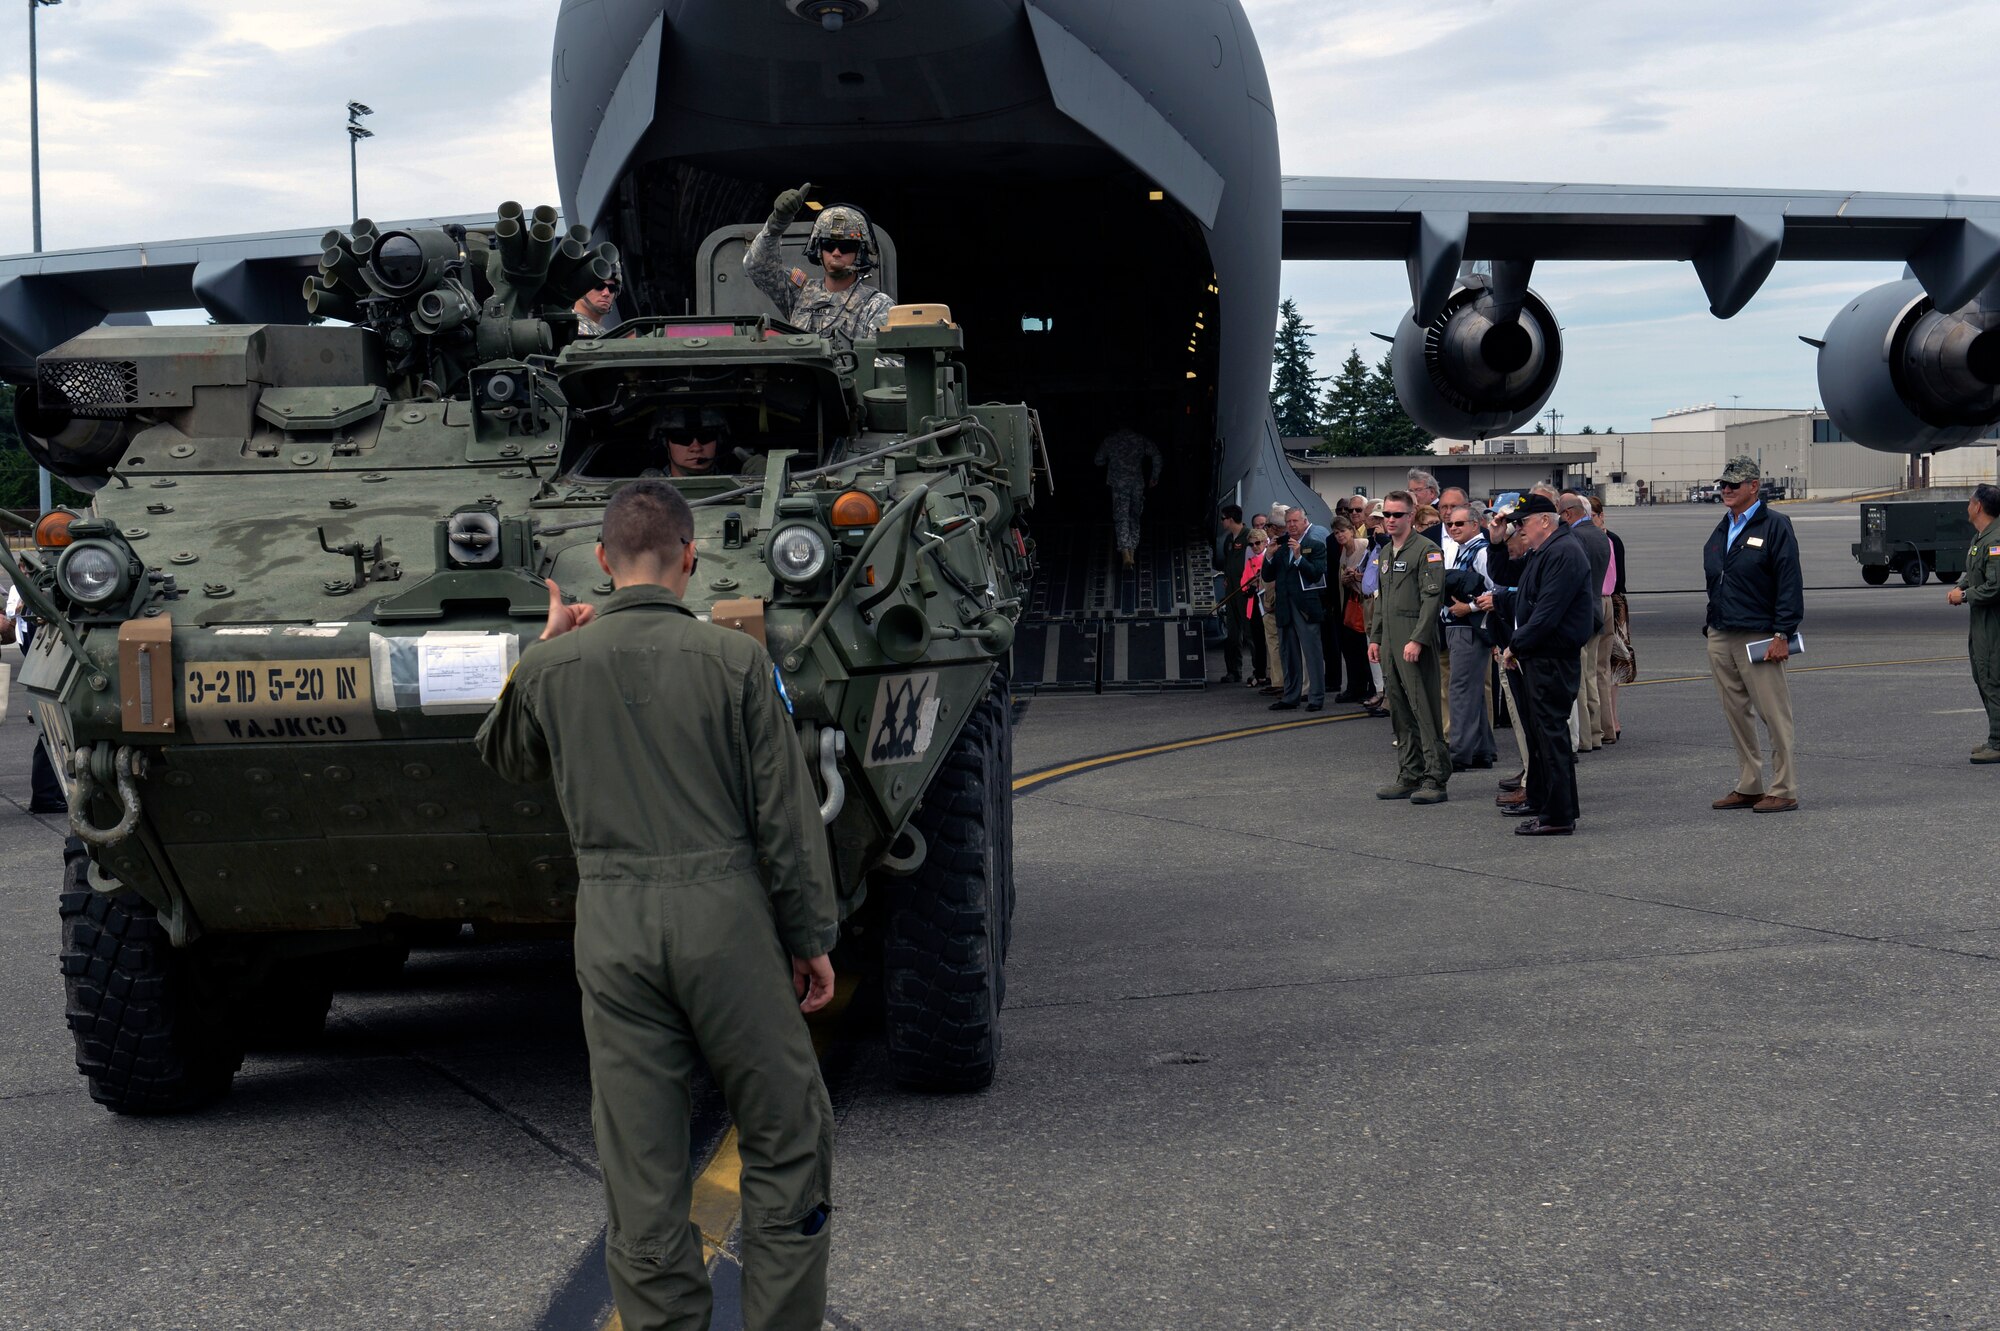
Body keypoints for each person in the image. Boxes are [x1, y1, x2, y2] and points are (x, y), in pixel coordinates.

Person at [475, 480, 840, 1331]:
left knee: (641, 1163)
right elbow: (785, 819)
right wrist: (810, 936)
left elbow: (501, 756)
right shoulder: (738, 661)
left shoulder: (556, 668)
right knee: (787, 1133)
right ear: (690, 557)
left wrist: (541, 649)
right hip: (726, 922)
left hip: (612, 925)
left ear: (602, 562)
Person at [1478, 493, 1593, 835]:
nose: (1518, 529)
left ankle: (1558, 815)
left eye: (1522, 522)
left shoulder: (1563, 552)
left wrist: (1516, 645)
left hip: (1551, 656)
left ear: (1545, 520)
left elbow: (1547, 613)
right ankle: (1542, 800)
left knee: (1551, 735)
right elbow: (1504, 574)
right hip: (1538, 654)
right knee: (1539, 735)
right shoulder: (1546, 550)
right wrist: (1496, 542)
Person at [1702, 456, 1804, 813]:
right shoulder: (1723, 527)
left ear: (1754, 486)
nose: (1726, 490)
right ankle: (1750, 784)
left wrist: (1782, 632)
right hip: (1722, 632)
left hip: (1760, 634)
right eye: (1724, 484)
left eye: (1734, 484)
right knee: (1735, 712)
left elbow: (1789, 582)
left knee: (1774, 714)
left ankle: (1784, 787)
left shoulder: (1775, 525)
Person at [1368, 491, 1449, 802]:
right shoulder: (1386, 553)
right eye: (1387, 514)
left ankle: (1435, 777)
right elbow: (1381, 599)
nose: (1390, 520)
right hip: (1390, 641)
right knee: (1399, 710)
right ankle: (1409, 772)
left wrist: (1417, 638)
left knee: (1424, 708)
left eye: (1397, 514)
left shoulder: (1427, 551)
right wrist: (1375, 638)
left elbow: (1432, 599)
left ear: (1411, 516)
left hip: (1414, 638)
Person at [745, 185, 897, 342]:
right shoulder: (800, 294)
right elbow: (757, 267)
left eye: (846, 246)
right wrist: (777, 224)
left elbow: (887, 360)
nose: (836, 253)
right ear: (818, 249)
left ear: (859, 252)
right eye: (829, 245)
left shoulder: (876, 306)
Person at [1946, 482, 2000, 763]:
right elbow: (1973, 571)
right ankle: (1995, 737)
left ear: (1978, 506)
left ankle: (1999, 742)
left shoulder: (1996, 541)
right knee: (1983, 675)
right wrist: (1962, 585)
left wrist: (1964, 595)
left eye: (1970, 501)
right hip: (1980, 621)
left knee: (1993, 677)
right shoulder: (1982, 538)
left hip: (1993, 622)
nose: (1967, 506)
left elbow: (1996, 586)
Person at [1441, 505, 1497, 771]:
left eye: (1460, 524)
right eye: (1450, 524)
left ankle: (1459, 752)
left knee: (1461, 689)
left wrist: (1470, 608)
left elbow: (1497, 590)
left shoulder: (1482, 551)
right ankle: (1481, 749)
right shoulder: (1461, 549)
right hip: (1458, 627)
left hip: (1469, 628)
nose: (1453, 528)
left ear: (1476, 525)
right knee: (1470, 689)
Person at [6, 576, 66, 814]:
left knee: (52, 733)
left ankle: (48, 795)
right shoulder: (39, 594)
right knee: (54, 733)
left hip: (46, 668)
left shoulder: (33, 592)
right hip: (52, 669)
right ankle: (47, 796)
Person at [1559, 492, 1612, 754]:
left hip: (1579, 615)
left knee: (1578, 679)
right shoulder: (1601, 535)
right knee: (1590, 675)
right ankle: (1595, 732)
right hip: (1595, 610)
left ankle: (1585, 738)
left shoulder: (1575, 537)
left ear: (1568, 514)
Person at [1264, 507, 1329, 711]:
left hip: (1306, 608)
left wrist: (1299, 557)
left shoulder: (1315, 546)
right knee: (1288, 653)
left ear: (1304, 522)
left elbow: (1316, 574)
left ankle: (1316, 697)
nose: (1292, 525)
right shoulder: (1281, 548)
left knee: (1312, 654)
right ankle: (1291, 696)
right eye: (1288, 522)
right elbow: (1267, 576)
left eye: (1295, 521)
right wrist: (1269, 556)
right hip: (1285, 607)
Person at [1095, 428, 1164, 570]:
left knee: (1122, 519)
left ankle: (1125, 553)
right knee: (1134, 518)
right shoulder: (1140, 439)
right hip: (1136, 484)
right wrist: (1154, 476)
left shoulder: (1110, 440)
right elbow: (1157, 455)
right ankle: (1132, 552)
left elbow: (1098, 460)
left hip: (1119, 485)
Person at [1596, 496, 1632, 742]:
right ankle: (1607, 719)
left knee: (1614, 662)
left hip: (1613, 600)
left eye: (1594, 515)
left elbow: (1617, 579)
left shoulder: (1611, 540)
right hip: (1607, 600)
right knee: (1603, 664)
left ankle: (1613, 718)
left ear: (1601, 516)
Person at [1331, 516, 1373, 704]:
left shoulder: (1363, 545)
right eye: (1337, 532)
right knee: (1351, 647)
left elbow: (1374, 569)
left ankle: (1371, 688)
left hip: (1366, 602)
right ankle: (1354, 687)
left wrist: (1358, 576)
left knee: (1367, 647)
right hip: (1351, 602)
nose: (1340, 535)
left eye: (1343, 531)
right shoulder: (1343, 553)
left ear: (1352, 531)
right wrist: (1346, 580)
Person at [1216, 505, 1252, 683]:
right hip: (1231, 589)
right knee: (1232, 632)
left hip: (1245, 590)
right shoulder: (1229, 539)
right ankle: (1233, 670)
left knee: (1250, 631)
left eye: (1223, 518)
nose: (1222, 522)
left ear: (1230, 519)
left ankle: (1259, 671)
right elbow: (1228, 562)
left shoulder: (1249, 538)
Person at [650, 408, 727, 478]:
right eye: (682, 437)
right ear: (665, 443)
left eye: (705, 436)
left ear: (719, 441)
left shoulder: (738, 487)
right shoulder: (643, 489)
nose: (696, 448)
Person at [1241, 527, 1272, 687]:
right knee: (1258, 641)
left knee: (1270, 641)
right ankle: (1260, 673)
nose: (1254, 547)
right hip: (1254, 605)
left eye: (1257, 543)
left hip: (1267, 604)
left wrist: (1257, 585)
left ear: (1265, 542)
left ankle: (1270, 674)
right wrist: (1249, 589)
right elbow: (1243, 583)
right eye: (1251, 544)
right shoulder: (1250, 561)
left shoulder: (1268, 558)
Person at [1407, 469, 1444, 543]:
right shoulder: (1412, 511)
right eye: (1411, 491)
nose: (1413, 494)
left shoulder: (1442, 511)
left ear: (1432, 492)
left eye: (1418, 490)